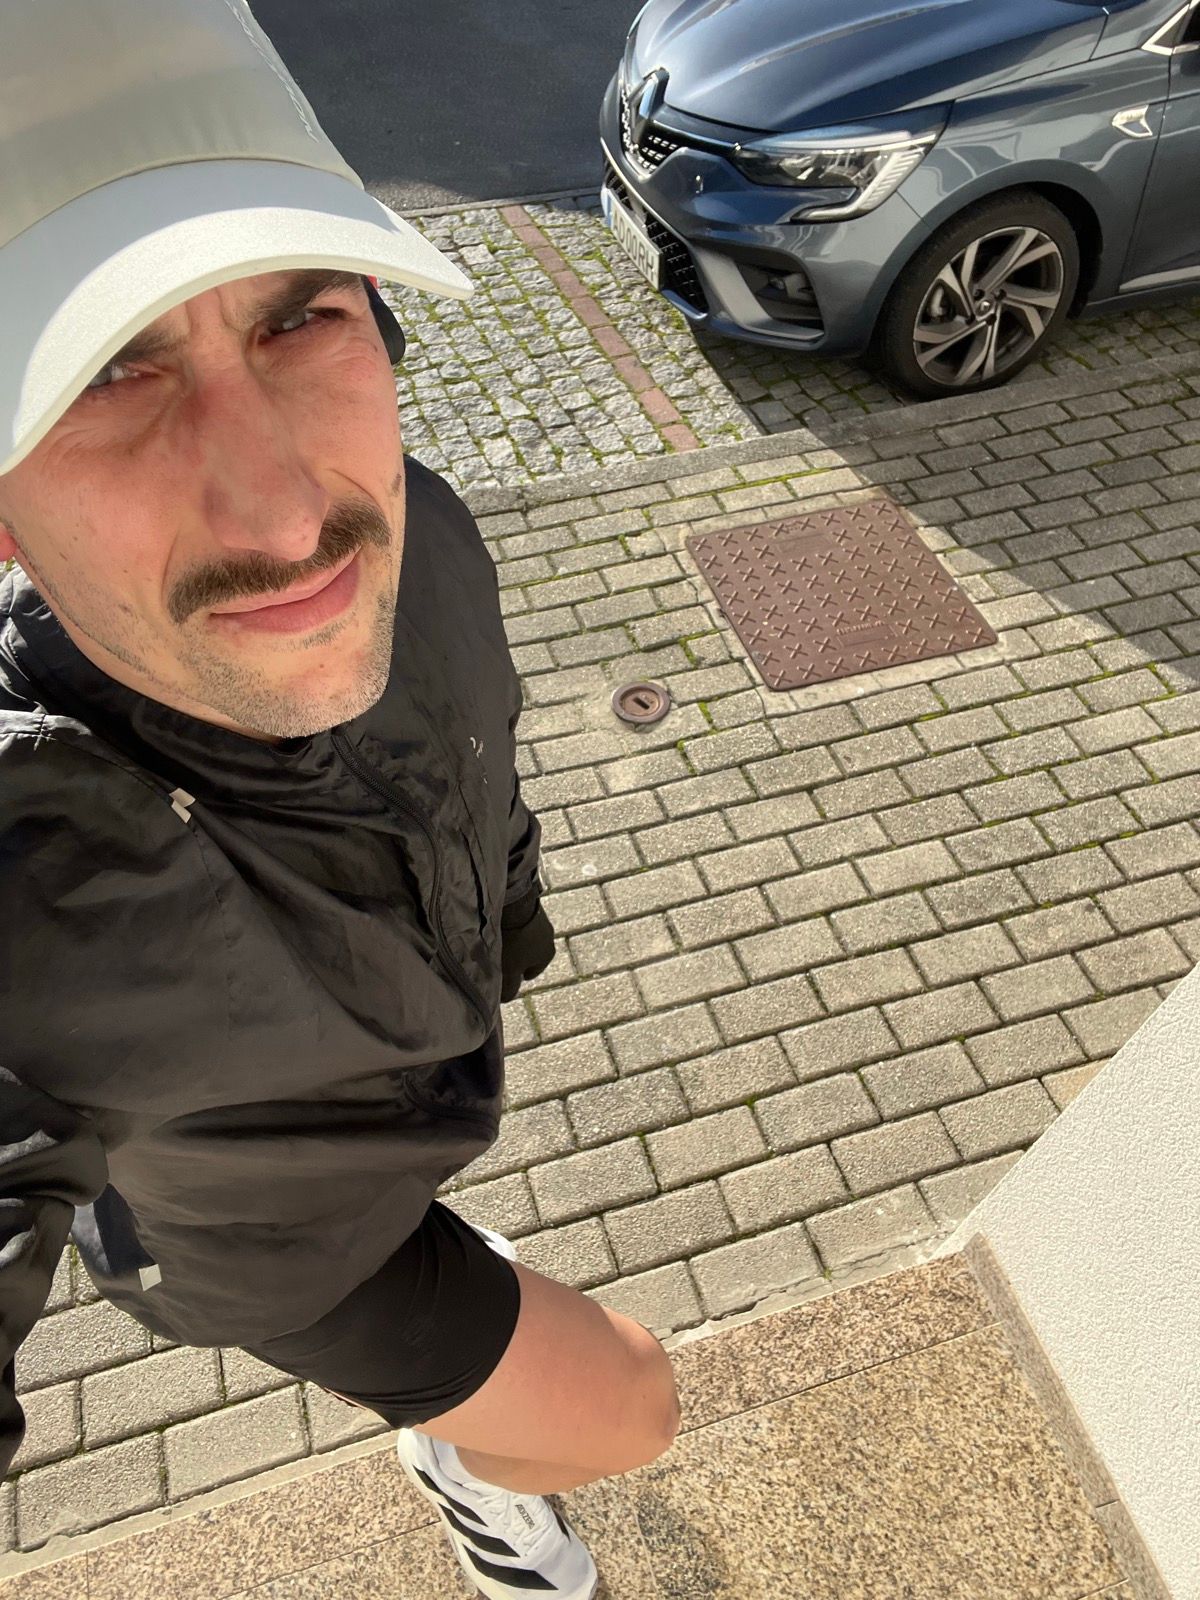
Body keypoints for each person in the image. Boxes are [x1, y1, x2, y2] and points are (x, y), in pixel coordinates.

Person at [0, 3, 680, 1596]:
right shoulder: (30, 842)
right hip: (285, 1256)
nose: (288, 514)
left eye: (301, 313)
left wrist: (506, 927)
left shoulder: (419, 534)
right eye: (105, 370)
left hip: (428, 1089)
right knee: (631, 1405)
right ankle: (476, 1482)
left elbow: (480, 758)